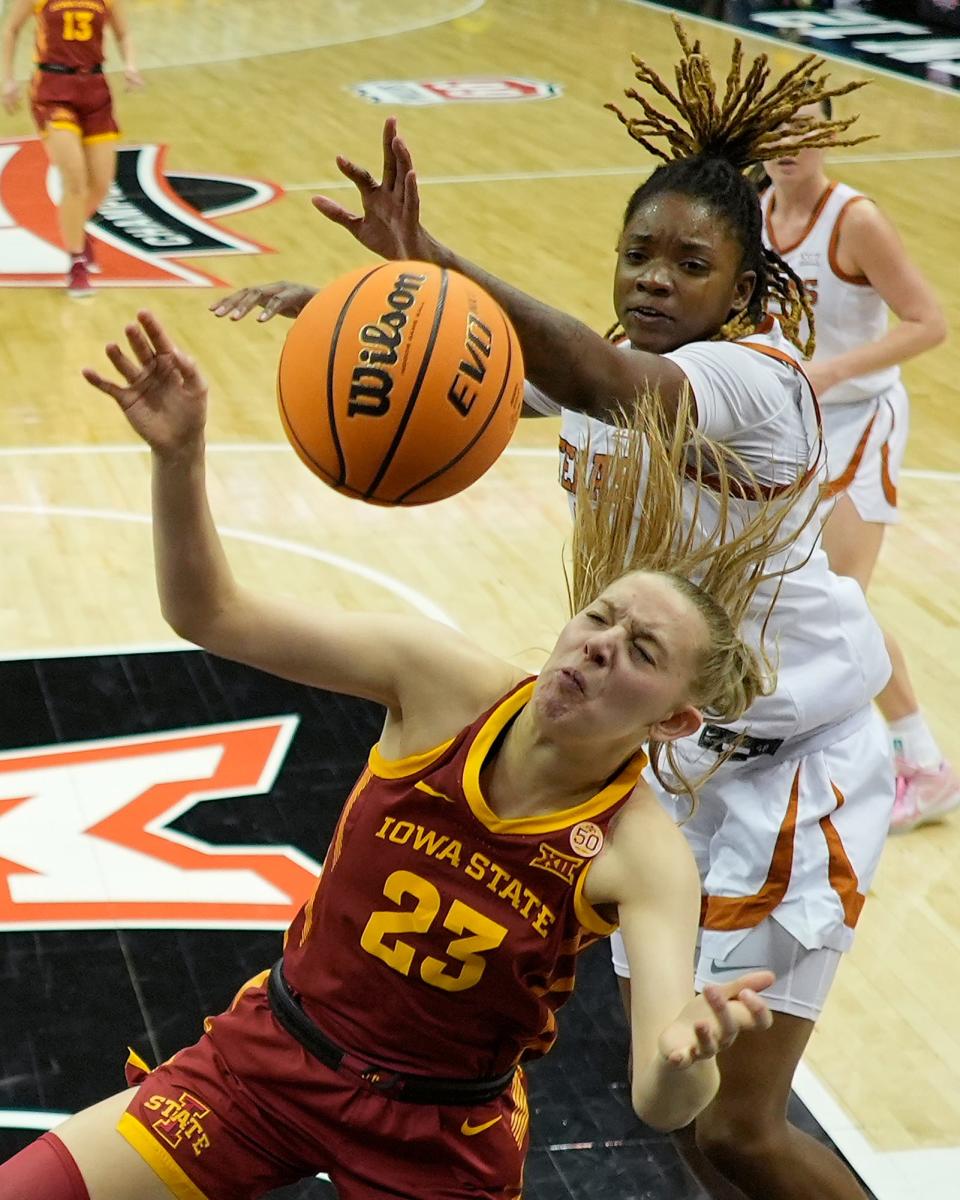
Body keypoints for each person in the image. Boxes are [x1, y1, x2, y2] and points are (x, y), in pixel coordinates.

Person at [212, 23, 896, 1200]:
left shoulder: (757, 384)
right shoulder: (606, 371)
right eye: (640, 253)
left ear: (746, 288)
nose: (655, 278)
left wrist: (432, 253)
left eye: (692, 265)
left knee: (740, 1131)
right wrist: (353, 305)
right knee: (681, 1116)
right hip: (669, 764)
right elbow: (493, 365)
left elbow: (594, 373)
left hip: (792, 775)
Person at [0, 309, 788, 1200]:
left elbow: (658, 1097)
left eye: (643, 652)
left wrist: (690, 1052)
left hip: (438, 1134)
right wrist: (178, 458)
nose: (602, 646)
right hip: (269, 1064)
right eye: (601, 617)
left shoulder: (642, 855)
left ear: (675, 722)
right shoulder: (442, 681)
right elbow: (208, 613)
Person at [759, 97, 954, 833]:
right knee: (791, 588)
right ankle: (817, 749)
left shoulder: (855, 221)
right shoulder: (755, 212)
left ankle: (923, 764)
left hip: (863, 416)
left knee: (843, 597)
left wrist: (836, 372)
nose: (788, 144)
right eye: (776, 129)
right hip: (796, 418)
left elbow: (928, 323)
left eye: (803, 130)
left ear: (828, 138)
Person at [0, 0, 143, 297]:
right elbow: (11, 29)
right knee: (75, 180)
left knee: (101, 185)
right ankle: (76, 262)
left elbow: (124, 33)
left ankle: (77, 226)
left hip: (95, 87)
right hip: (52, 89)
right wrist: (7, 79)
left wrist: (130, 64)